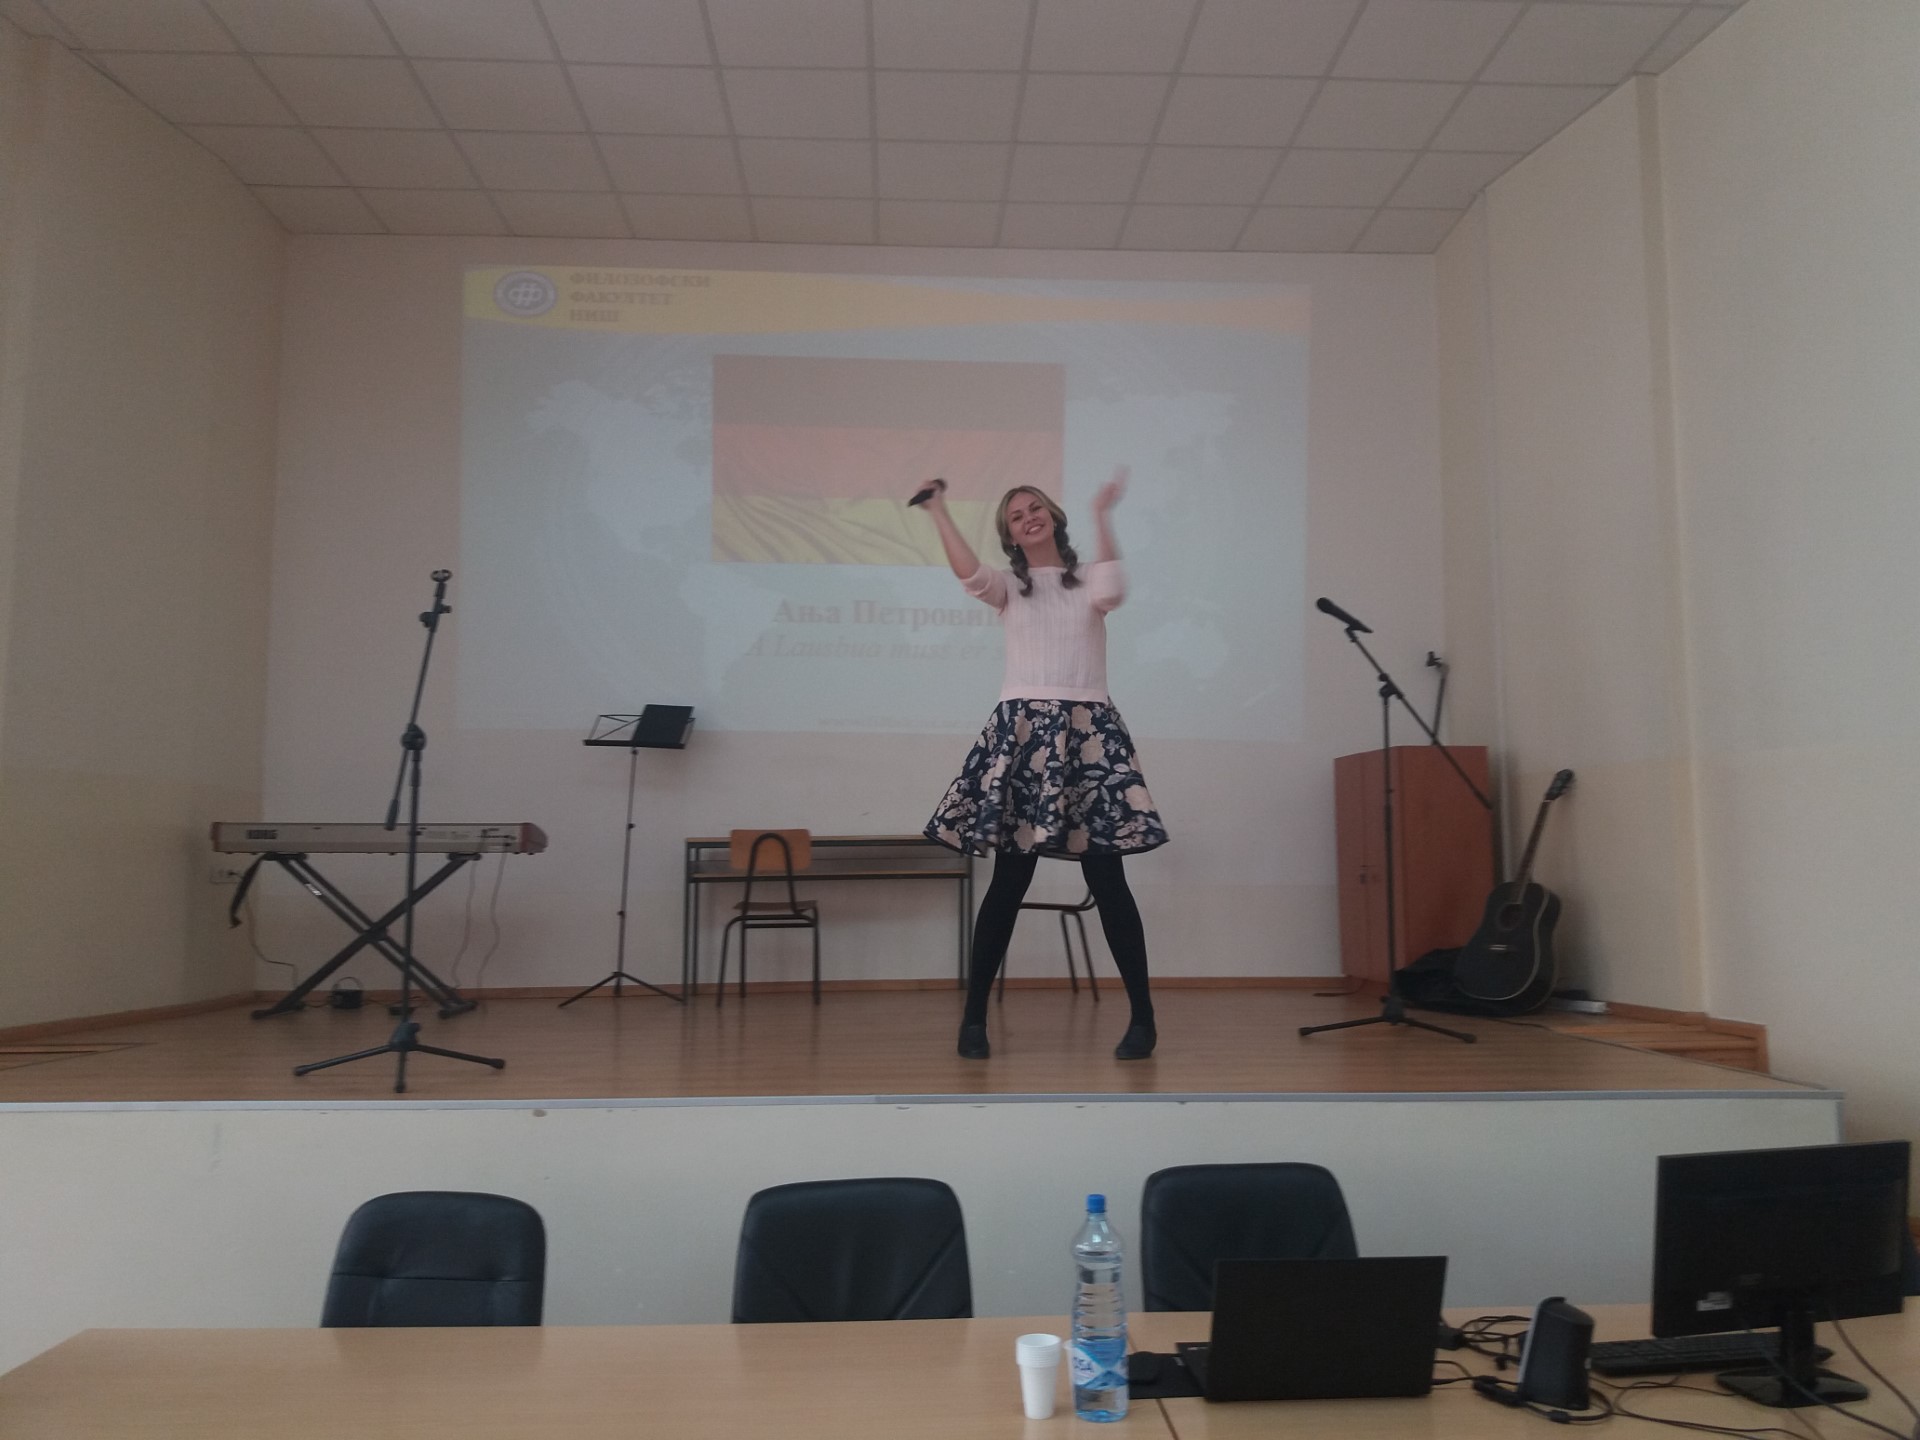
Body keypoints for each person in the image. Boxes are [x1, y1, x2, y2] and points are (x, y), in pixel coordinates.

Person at [916, 470, 1168, 1061]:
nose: (1028, 517)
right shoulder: (1009, 588)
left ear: (1053, 516)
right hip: (1026, 737)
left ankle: (1144, 1019)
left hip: (1088, 735)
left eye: (1035, 508)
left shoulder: (1089, 581)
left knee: (1108, 880)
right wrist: (938, 511)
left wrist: (1102, 513)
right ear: (1010, 535)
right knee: (1009, 880)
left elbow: (1113, 590)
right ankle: (973, 1019)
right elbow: (969, 575)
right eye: (1015, 516)